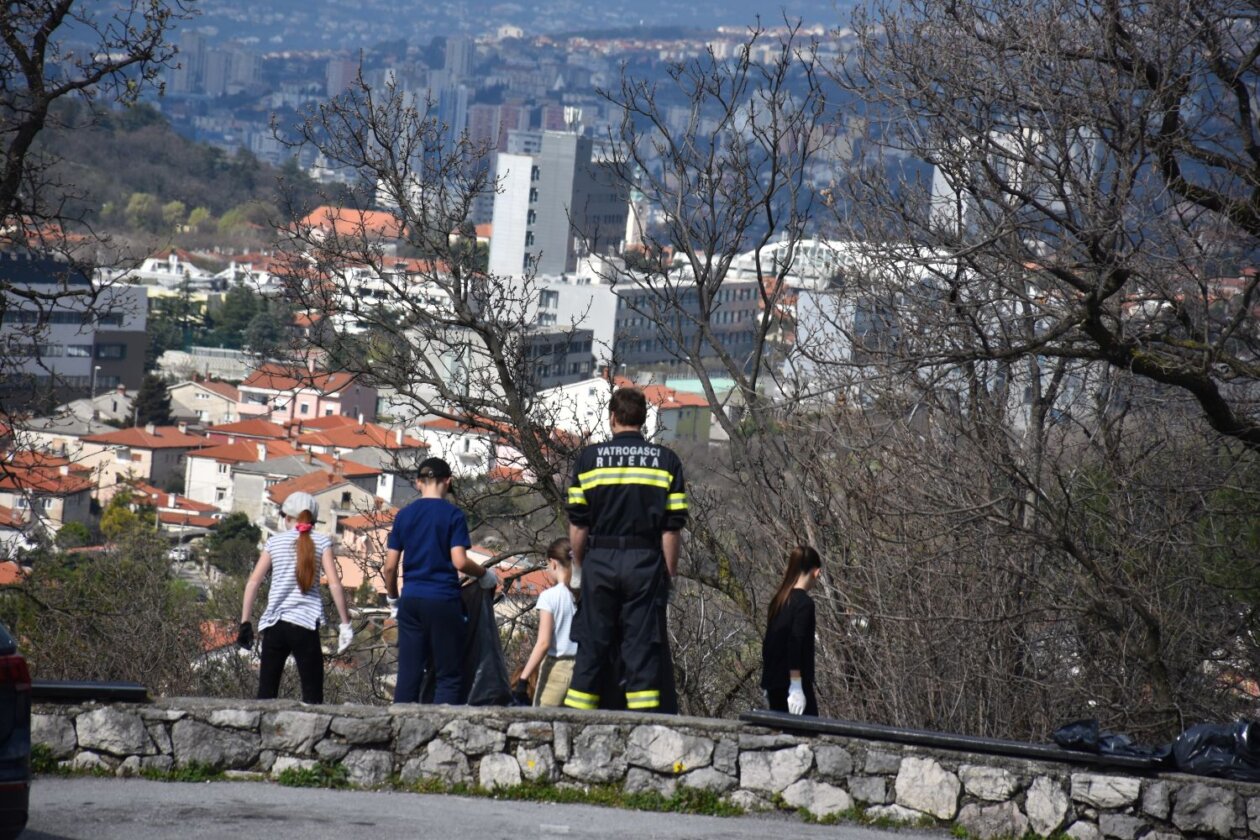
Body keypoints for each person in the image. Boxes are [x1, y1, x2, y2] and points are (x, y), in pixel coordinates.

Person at [564, 386, 688, 713]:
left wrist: (579, 569)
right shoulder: (666, 462)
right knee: (641, 645)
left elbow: (578, 525)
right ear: (643, 419)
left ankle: (576, 721)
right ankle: (641, 722)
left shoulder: (589, 460)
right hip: (644, 562)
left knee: (592, 643)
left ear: (612, 418)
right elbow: (671, 529)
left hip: (600, 559)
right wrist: (669, 575)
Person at [383, 456, 498, 704]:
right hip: (443, 600)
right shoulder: (453, 515)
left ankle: (399, 725)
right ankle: (442, 727)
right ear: (448, 481)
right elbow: (460, 562)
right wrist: (484, 574)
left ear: (418, 483)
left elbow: (390, 567)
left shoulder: (404, 516)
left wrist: (393, 600)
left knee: (408, 675)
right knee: (448, 675)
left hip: (411, 600)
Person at [238, 491, 353, 705]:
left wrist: (245, 622)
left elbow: (253, 582)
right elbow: (335, 584)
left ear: (288, 517)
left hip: (275, 624)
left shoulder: (274, 542)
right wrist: (345, 624)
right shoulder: (322, 543)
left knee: (266, 694)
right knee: (313, 696)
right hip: (306, 625)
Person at [514, 538, 578, 707]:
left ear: (554, 563)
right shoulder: (583, 594)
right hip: (582, 668)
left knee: (543, 719)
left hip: (557, 667)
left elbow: (543, 643)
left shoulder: (549, 597)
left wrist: (523, 678)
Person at [761, 544, 823, 716]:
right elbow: (795, 642)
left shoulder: (778, 601)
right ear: (816, 572)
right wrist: (796, 684)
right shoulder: (805, 604)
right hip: (794, 684)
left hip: (774, 683)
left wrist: (767, 682)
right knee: (808, 731)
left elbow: (768, 644)